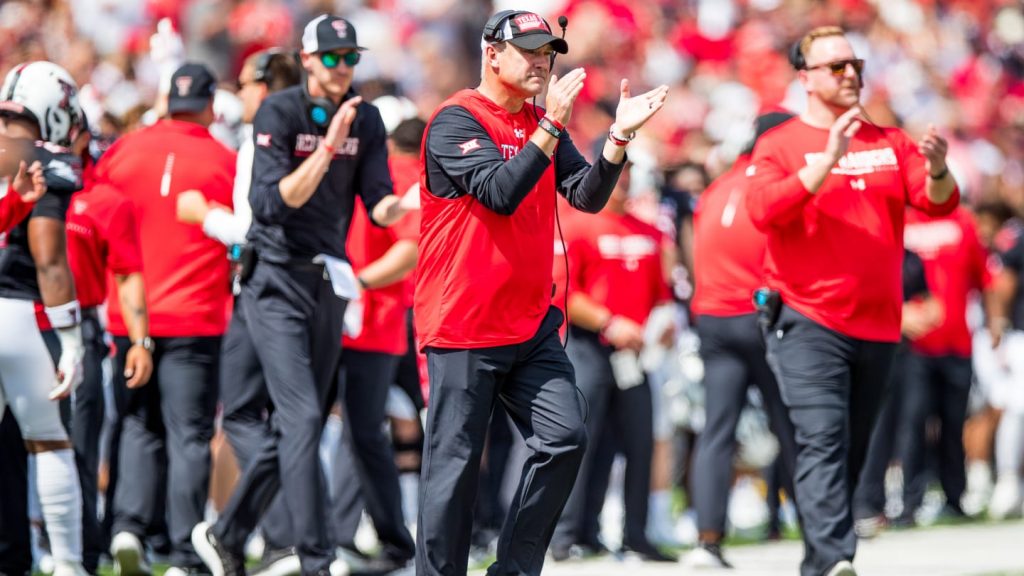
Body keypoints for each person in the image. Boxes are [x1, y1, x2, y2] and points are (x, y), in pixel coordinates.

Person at [414, 9, 668, 575]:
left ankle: (515, 568)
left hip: (529, 324)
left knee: (565, 437)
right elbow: (499, 193)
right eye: (528, 50)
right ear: (491, 54)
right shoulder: (456, 120)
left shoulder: (538, 120)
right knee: (453, 474)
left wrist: (618, 138)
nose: (541, 62)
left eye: (547, 52)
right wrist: (549, 129)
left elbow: (584, 195)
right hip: (464, 324)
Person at [191, 14, 415, 576]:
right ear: (309, 59)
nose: (344, 67)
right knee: (301, 417)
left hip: (326, 279)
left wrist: (412, 204)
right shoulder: (279, 110)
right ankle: (316, 558)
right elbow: (272, 204)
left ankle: (227, 533)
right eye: (333, 57)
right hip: (275, 278)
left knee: (305, 420)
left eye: (351, 57)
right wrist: (326, 149)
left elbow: (378, 199)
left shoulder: (362, 118)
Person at [745, 26, 959, 576]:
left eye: (854, 64)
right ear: (806, 78)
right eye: (835, 66)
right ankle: (840, 558)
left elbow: (937, 203)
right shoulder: (780, 144)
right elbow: (764, 211)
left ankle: (820, 562)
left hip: (879, 325)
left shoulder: (889, 140)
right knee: (823, 439)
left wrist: (937, 167)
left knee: (855, 449)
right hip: (808, 318)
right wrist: (825, 161)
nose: (849, 74)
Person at [96, 61, 236, 576]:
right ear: (209, 106)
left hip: (129, 315)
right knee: (190, 434)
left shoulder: (123, 150)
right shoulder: (224, 158)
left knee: (137, 424)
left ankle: (128, 527)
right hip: (195, 315)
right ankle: (182, 551)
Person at [177, 48, 303, 575]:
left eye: (248, 82)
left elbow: (257, 231)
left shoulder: (265, 139)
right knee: (287, 417)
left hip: (264, 286)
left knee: (254, 414)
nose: (241, 92)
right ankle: (272, 537)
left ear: (268, 84)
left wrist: (206, 216)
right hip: (301, 289)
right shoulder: (301, 132)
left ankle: (271, 535)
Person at [684, 111, 800, 569]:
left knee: (717, 431)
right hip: (758, 317)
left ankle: (707, 539)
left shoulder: (717, 186)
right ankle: (822, 532)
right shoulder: (774, 184)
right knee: (793, 427)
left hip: (712, 316)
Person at [548, 161, 675, 563]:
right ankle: (568, 535)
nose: (623, 183)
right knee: (582, 442)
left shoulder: (650, 231)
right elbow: (563, 292)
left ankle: (636, 534)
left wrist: (664, 323)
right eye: (616, 175)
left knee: (640, 442)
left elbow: (663, 294)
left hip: (635, 354)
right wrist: (608, 321)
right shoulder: (577, 225)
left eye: (627, 175)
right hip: (587, 346)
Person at [0, 60, 89, 576]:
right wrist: (72, 337)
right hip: (22, 312)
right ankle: (70, 563)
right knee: (50, 440)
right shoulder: (42, 158)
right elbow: (49, 254)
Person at [330, 117, 423, 573]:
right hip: (376, 321)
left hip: (368, 320)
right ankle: (365, 535)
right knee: (363, 432)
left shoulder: (393, 175)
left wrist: (354, 283)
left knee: (359, 432)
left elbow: (409, 251)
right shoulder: (402, 175)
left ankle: (352, 535)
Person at [63, 126, 153, 573]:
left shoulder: (103, 200)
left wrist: (139, 339)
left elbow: (127, 272)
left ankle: (82, 549)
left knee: (78, 446)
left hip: (80, 332)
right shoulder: (17, 189)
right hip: (20, 323)